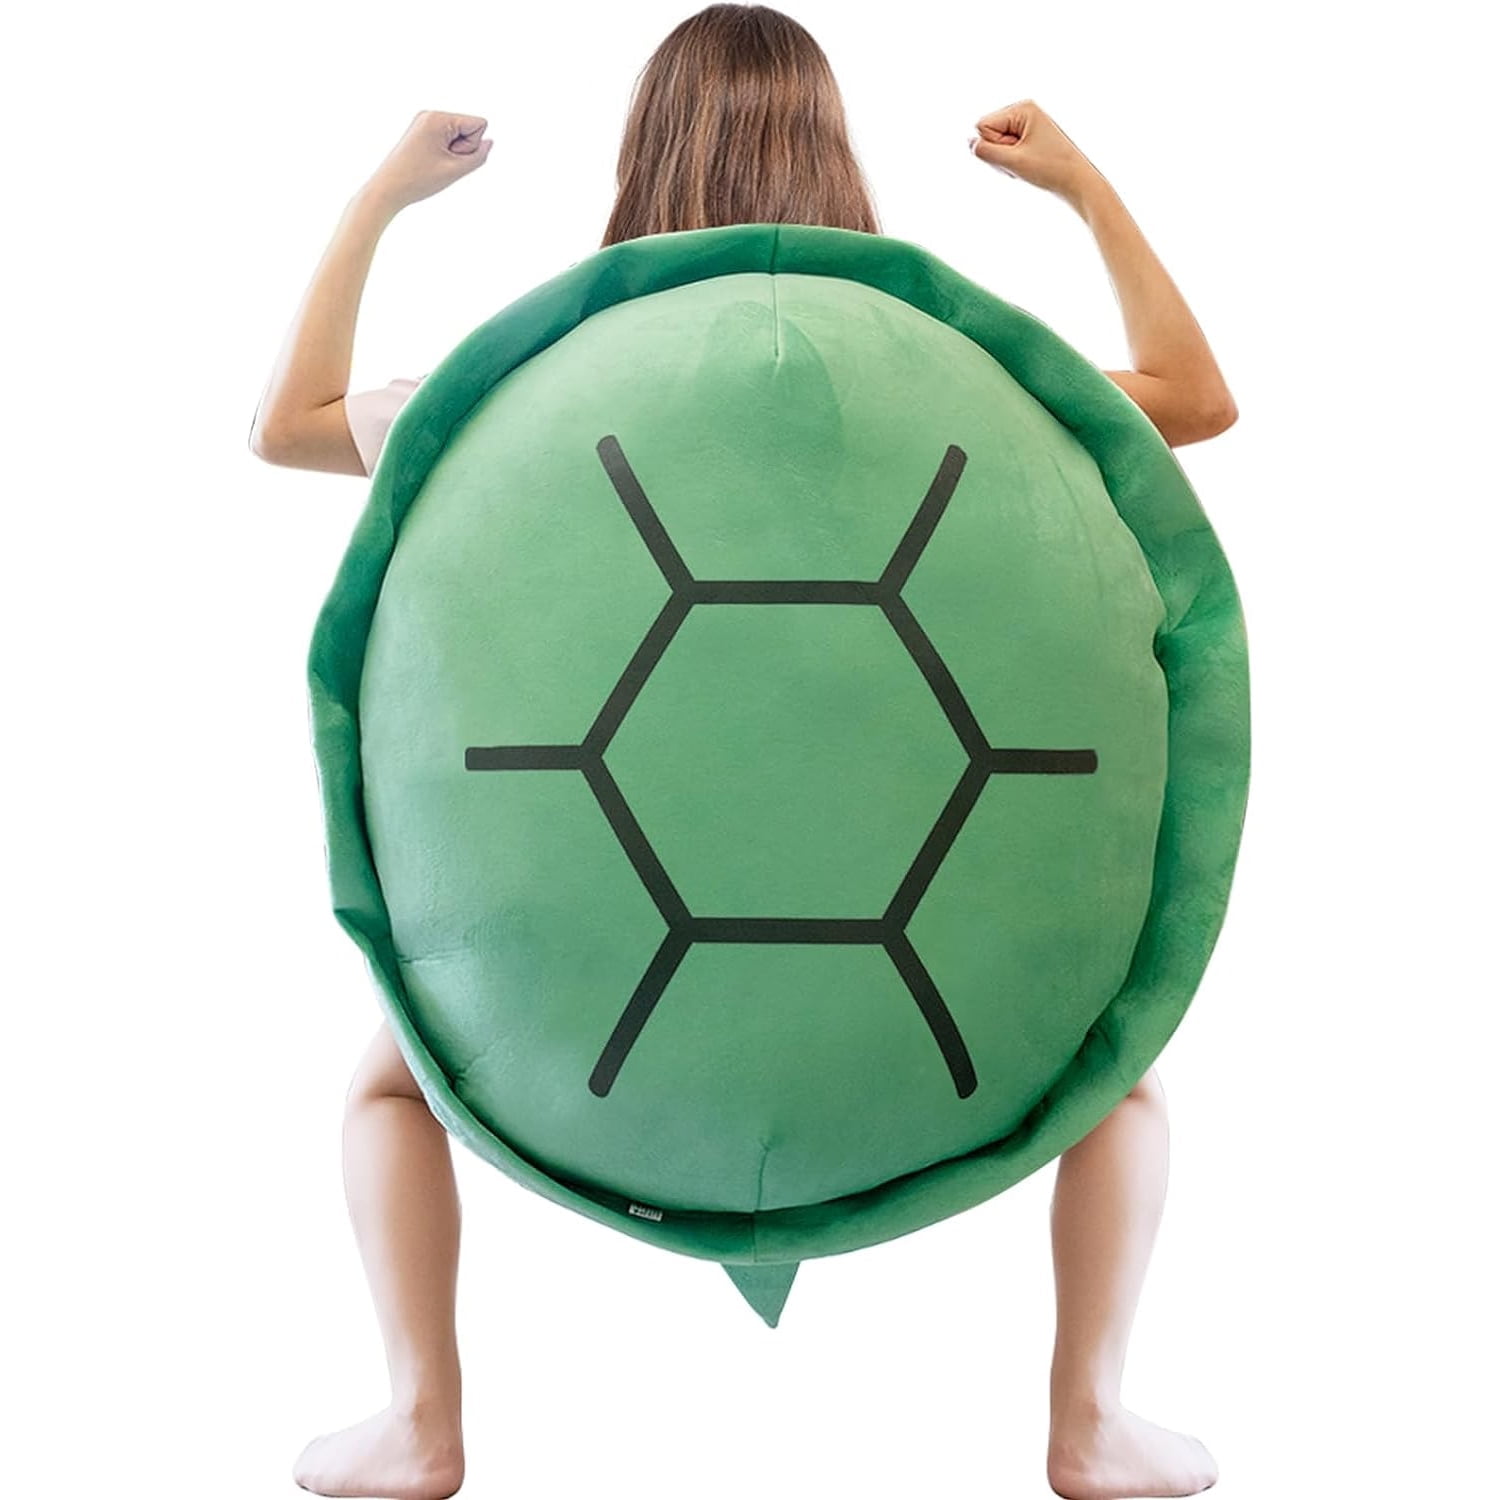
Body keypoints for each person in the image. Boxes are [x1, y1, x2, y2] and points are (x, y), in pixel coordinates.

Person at [250, 8, 1237, 1499]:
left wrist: (381, 197)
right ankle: (1090, 1422)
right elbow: (1194, 403)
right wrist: (1083, 189)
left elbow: (288, 426)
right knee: (1122, 1076)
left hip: (596, 1030)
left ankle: (421, 1422)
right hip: (935, 1034)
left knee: (393, 1091)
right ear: (838, 155)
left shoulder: (522, 405)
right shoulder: (971, 397)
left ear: (640, 159)